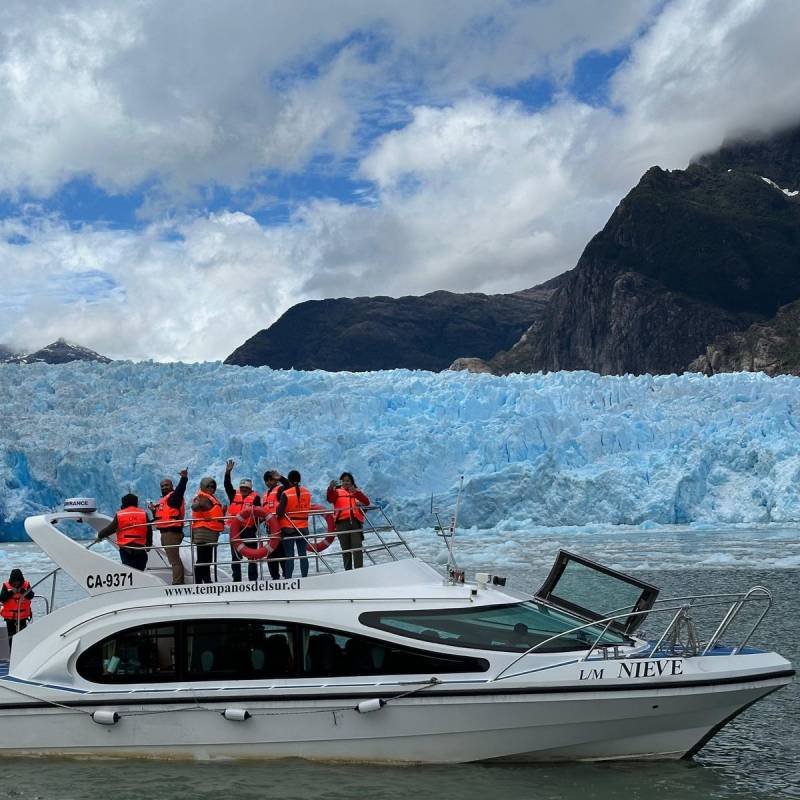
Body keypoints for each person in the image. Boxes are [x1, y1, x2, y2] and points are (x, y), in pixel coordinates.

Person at [150, 468, 189, 585]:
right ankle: (178, 581)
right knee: (173, 559)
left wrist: (184, 478)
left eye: (166, 485)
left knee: (174, 561)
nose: (164, 487)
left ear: (172, 486)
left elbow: (180, 490)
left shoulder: (174, 497)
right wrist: (153, 511)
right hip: (166, 533)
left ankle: (177, 583)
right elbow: (161, 517)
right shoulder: (165, 500)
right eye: (162, 486)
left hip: (172, 532)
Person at [224, 459, 261, 582]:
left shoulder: (255, 498)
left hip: (249, 530)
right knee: (235, 557)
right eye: (242, 487)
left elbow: (260, 514)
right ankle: (237, 580)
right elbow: (227, 485)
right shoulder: (234, 495)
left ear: (250, 489)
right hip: (235, 530)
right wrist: (228, 472)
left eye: (246, 488)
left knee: (252, 556)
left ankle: (253, 579)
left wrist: (254, 527)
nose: (243, 489)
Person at [96, 493, 152, 571]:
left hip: (126, 550)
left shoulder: (120, 514)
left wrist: (100, 535)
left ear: (124, 503)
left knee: (129, 571)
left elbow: (110, 529)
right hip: (140, 549)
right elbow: (149, 531)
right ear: (136, 502)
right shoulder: (143, 514)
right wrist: (148, 545)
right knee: (140, 571)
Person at [327, 472, 370, 570]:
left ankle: (359, 570)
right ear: (341, 482)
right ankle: (348, 572)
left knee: (357, 547)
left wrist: (356, 493)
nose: (346, 482)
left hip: (355, 523)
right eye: (344, 481)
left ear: (352, 482)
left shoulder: (356, 492)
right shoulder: (336, 491)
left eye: (348, 480)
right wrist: (330, 488)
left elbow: (366, 502)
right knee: (345, 550)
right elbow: (330, 499)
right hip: (342, 523)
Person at [276, 470, 311, 578]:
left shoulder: (286, 493)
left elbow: (280, 512)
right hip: (303, 527)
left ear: (289, 480)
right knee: (303, 555)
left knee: (290, 556)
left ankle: (288, 579)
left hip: (289, 528)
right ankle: (305, 577)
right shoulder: (307, 492)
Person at [191, 477, 225, 584]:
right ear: (203, 487)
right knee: (202, 558)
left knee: (207, 558)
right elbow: (195, 506)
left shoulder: (209, 498)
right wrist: (200, 505)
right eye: (208, 486)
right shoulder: (201, 497)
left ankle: (206, 579)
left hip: (210, 533)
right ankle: (199, 582)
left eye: (213, 486)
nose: (211, 488)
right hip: (203, 532)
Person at [262, 470, 288, 580]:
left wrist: (281, 478)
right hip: (270, 530)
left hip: (280, 528)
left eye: (271, 479)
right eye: (267, 480)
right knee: (271, 553)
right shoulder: (265, 495)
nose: (268, 482)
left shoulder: (280, 490)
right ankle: (275, 576)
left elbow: (289, 487)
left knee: (281, 552)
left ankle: (286, 575)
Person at [1, 569, 34, 649]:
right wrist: (11, 592)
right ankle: (13, 654)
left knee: (22, 636)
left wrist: (23, 591)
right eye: (14, 581)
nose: (16, 583)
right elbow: (2, 598)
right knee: (11, 638)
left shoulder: (26, 585)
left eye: (18, 581)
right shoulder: (6, 585)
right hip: (10, 618)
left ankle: (22, 652)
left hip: (22, 617)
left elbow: (31, 596)